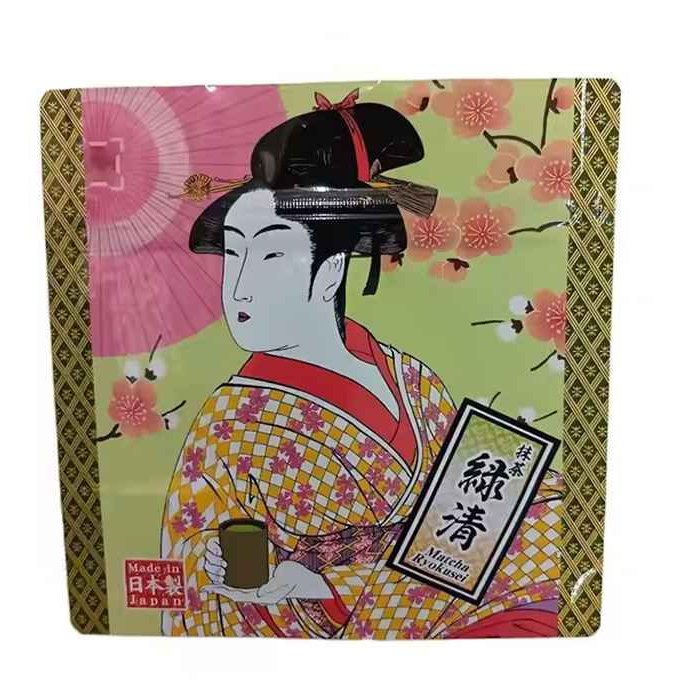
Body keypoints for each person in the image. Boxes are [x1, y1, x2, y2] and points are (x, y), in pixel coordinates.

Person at [161, 90, 561, 638]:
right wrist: (290, 582)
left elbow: (494, 500)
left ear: (331, 271)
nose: (240, 286)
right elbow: (196, 576)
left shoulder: (411, 377)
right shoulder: (226, 425)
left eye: (273, 254)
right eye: (234, 252)